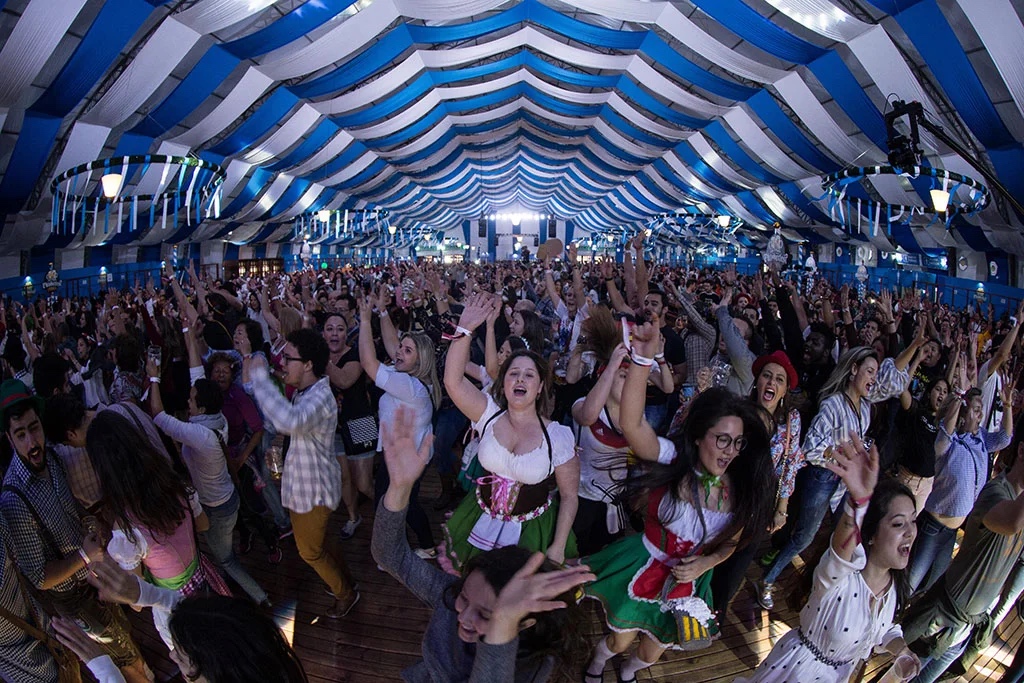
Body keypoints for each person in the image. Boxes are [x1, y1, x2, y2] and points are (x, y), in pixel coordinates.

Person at [583, 320, 774, 682]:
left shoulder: (739, 489)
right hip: (645, 565)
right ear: (700, 436)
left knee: (651, 651)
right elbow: (633, 425)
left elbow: (730, 545)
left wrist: (705, 564)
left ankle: (627, 675)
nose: (730, 451)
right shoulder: (673, 459)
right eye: (722, 439)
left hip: (686, 586)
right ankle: (596, 664)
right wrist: (642, 359)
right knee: (621, 639)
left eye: (737, 443)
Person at [371, 405, 593, 682]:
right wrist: (399, 488)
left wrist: (500, 634)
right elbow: (391, 556)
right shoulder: (449, 596)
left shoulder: (534, 665)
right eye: (464, 597)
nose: (462, 619)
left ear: (524, 622)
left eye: (488, 615)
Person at [0, 379, 152, 683]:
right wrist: (84, 555)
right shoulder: (13, 498)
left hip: (96, 574)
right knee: (121, 654)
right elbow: (41, 578)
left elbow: (71, 509)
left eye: (35, 428)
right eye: (21, 434)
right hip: (74, 599)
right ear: (10, 439)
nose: (32, 442)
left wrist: (89, 522)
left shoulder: (53, 459)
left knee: (124, 634)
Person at [736, 437, 921, 682]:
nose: (911, 531)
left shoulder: (893, 586)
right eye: (898, 523)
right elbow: (841, 547)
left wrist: (902, 650)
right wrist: (858, 502)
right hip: (795, 673)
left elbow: (884, 629)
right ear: (871, 534)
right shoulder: (838, 577)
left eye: (913, 520)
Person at [757, 336, 920, 610]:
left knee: (844, 535)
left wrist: (914, 346)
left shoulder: (865, 406)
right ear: (853, 369)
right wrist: (842, 457)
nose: (874, 378)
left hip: (843, 483)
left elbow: (894, 384)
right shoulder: (832, 405)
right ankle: (767, 580)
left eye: (875, 373)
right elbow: (809, 450)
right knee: (805, 537)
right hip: (822, 479)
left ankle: (822, 589)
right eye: (869, 371)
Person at [442, 293, 579, 572]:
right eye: (513, 373)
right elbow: (452, 381)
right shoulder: (488, 414)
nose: (519, 379)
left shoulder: (558, 436)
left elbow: (570, 496)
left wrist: (558, 545)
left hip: (534, 529)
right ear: (503, 384)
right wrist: (465, 328)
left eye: (529, 375)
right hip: (481, 518)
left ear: (540, 387)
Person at [146, 339, 271, 608]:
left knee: (226, 559)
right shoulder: (216, 419)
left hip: (217, 508)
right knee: (224, 552)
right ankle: (231, 583)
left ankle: (260, 597)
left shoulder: (199, 435)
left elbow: (157, 414)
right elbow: (198, 380)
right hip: (227, 499)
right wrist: (187, 333)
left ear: (200, 407)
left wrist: (153, 377)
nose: (187, 402)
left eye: (191, 400)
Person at [84, 411, 223, 648]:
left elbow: (137, 602)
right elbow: (203, 524)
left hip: (173, 608)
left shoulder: (126, 530)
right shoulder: (177, 486)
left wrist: (94, 559)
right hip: (205, 582)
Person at [901, 416, 1024, 683]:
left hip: (966, 625)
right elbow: (1012, 522)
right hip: (942, 616)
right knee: (899, 677)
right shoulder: (997, 492)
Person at [52, 556, 309, 683]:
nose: (172, 658)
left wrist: (105, 670)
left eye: (181, 656)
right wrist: (145, 593)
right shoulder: (269, 665)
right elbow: (213, 625)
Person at [248, 329, 359, 618]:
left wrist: (259, 378)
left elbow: (291, 421)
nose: (282, 363)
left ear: (308, 363)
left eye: (288, 358)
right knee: (325, 541)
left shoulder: (320, 398)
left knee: (309, 551)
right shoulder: (306, 390)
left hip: (313, 492)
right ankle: (345, 581)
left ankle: (345, 594)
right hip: (312, 484)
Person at [712, 350, 804, 612]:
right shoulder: (740, 411)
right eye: (767, 376)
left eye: (779, 379)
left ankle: (714, 613)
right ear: (757, 381)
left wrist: (781, 509)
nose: (772, 383)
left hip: (759, 505)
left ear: (785, 390)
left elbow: (790, 466)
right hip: (728, 496)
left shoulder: (790, 422)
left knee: (736, 566)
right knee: (712, 554)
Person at [907, 382, 1013, 592]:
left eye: (981, 410)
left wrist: (1008, 405)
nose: (980, 415)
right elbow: (946, 432)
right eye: (975, 409)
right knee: (909, 583)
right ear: (963, 414)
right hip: (932, 526)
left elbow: (1005, 438)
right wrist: (958, 395)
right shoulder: (949, 441)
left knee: (929, 586)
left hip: (951, 533)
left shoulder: (981, 438)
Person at [357, 293, 439, 557]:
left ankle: (393, 553)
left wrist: (365, 320)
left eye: (407, 351)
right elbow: (393, 347)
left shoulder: (409, 386)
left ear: (421, 359)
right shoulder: (407, 376)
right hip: (406, 454)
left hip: (404, 459)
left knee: (393, 505)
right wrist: (382, 313)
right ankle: (426, 546)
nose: (398, 353)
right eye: (401, 349)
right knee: (406, 503)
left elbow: (368, 363)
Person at [571, 343, 632, 556]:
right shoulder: (581, 404)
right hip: (581, 501)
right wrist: (614, 363)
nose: (631, 382)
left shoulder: (635, 418)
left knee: (599, 559)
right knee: (573, 554)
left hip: (613, 502)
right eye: (624, 376)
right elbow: (587, 417)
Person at [322, 313, 375, 540]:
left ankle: (391, 515)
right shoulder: (316, 359)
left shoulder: (356, 355)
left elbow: (344, 380)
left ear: (346, 333)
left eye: (340, 329)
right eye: (330, 328)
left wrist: (319, 355)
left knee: (364, 485)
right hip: (332, 427)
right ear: (323, 333)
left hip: (361, 422)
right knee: (344, 479)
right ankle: (354, 518)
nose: (335, 333)